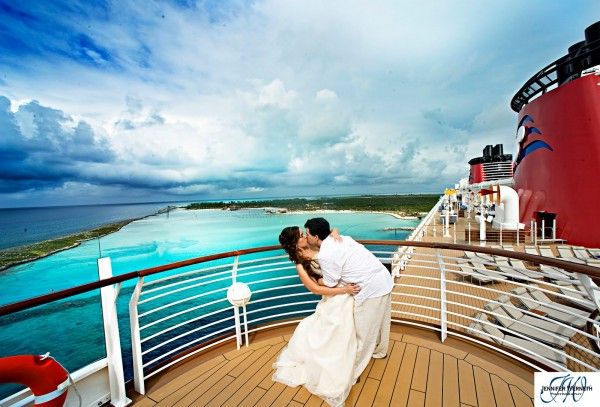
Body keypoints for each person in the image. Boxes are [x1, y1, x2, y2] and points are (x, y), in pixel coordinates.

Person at [273, 226, 360, 407]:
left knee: (348, 330)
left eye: (305, 233)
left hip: (345, 292)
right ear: (296, 243)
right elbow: (315, 289)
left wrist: (334, 232)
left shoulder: (317, 246)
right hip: (335, 297)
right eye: (301, 235)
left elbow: (330, 231)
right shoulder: (300, 265)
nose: (306, 235)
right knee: (338, 330)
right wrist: (344, 290)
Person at [304, 217, 393, 382]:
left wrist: (317, 281)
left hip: (370, 288)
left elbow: (330, 283)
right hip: (384, 278)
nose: (306, 237)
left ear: (316, 237)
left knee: (362, 333)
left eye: (307, 234)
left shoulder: (325, 254)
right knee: (382, 322)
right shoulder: (342, 238)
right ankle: (380, 351)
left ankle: (353, 371)